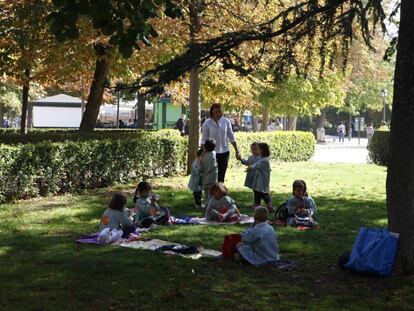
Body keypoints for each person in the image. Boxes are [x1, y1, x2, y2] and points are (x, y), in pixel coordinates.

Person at [201, 103, 240, 182]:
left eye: (219, 111)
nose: (218, 113)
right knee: (212, 176)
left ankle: (220, 193)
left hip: (225, 152)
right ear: (212, 112)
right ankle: (212, 193)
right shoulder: (207, 123)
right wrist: (203, 153)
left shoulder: (226, 121)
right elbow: (203, 140)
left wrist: (237, 150)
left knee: (221, 176)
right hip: (212, 154)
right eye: (216, 112)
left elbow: (231, 136)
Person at [248, 142, 273, 211]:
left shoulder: (264, 160)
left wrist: (251, 167)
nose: (256, 150)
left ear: (262, 150)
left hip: (263, 180)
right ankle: (257, 203)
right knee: (257, 191)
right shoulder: (262, 158)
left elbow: (257, 164)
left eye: (258, 149)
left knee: (263, 193)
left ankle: (270, 206)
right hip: (259, 179)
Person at [239, 142, 261, 206]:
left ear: (259, 149)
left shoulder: (261, 158)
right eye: (252, 150)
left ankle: (260, 203)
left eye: (255, 149)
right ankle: (256, 203)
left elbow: (258, 165)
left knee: (259, 191)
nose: (253, 151)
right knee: (255, 190)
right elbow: (247, 162)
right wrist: (241, 159)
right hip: (252, 176)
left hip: (258, 177)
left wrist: (251, 167)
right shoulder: (252, 157)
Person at [199, 139, 218, 203]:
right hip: (213, 178)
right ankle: (210, 205)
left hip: (206, 178)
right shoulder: (214, 154)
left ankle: (207, 205)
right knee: (212, 194)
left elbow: (201, 168)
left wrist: (202, 154)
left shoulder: (204, 157)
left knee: (206, 194)